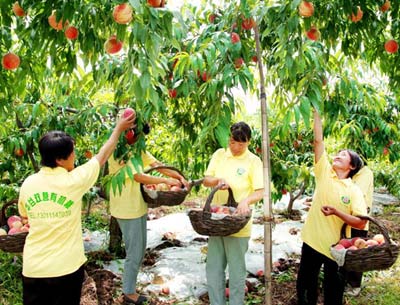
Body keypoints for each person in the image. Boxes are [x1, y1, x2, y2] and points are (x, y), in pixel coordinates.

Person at [18, 113, 135, 305]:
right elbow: (103, 155)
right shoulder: (74, 181)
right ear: (59, 159)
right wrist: (118, 129)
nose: (75, 156)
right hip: (66, 268)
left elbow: (24, 216)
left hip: (34, 268)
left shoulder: (29, 183)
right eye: (72, 153)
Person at [108, 108, 189, 305]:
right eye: (137, 136)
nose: (138, 140)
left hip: (137, 206)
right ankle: (127, 293)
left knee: (139, 249)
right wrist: (168, 183)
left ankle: (130, 289)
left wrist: (177, 176)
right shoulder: (117, 150)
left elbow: (156, 164)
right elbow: (138, 176)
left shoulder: (136, 148)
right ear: (128, 131)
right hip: (126, 208)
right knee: (134, 252)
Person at [296, 109, 368, 305]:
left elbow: (361, 223)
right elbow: (318, 142)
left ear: (352, 167)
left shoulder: (353, 190)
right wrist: (317, 113)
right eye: (338, 153)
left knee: (333, 293)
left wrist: (337, 212)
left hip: (336, 249)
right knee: (305, 288)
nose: (338, 155)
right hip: (311, 241)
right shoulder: (325, 172)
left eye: (343, 155)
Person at [202, 121, 264, 305]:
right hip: (216, 222)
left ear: (249, 142)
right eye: (232, 142)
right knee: (213, 268)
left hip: (237, 223)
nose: (236, 147)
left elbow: (261, 190)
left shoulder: (253, 161)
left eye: (241, 144)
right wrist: (217, 181)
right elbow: (206, 180)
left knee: (237, 271)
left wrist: (245, 201)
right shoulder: (220, 155)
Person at [344, 165, 374, 296]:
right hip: (346, 220)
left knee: (358, 253)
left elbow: (357, 193)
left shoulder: (365, 173)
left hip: (358, 221)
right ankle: (346, 282)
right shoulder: (351, 174)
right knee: (348, 252)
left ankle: (354, 285)